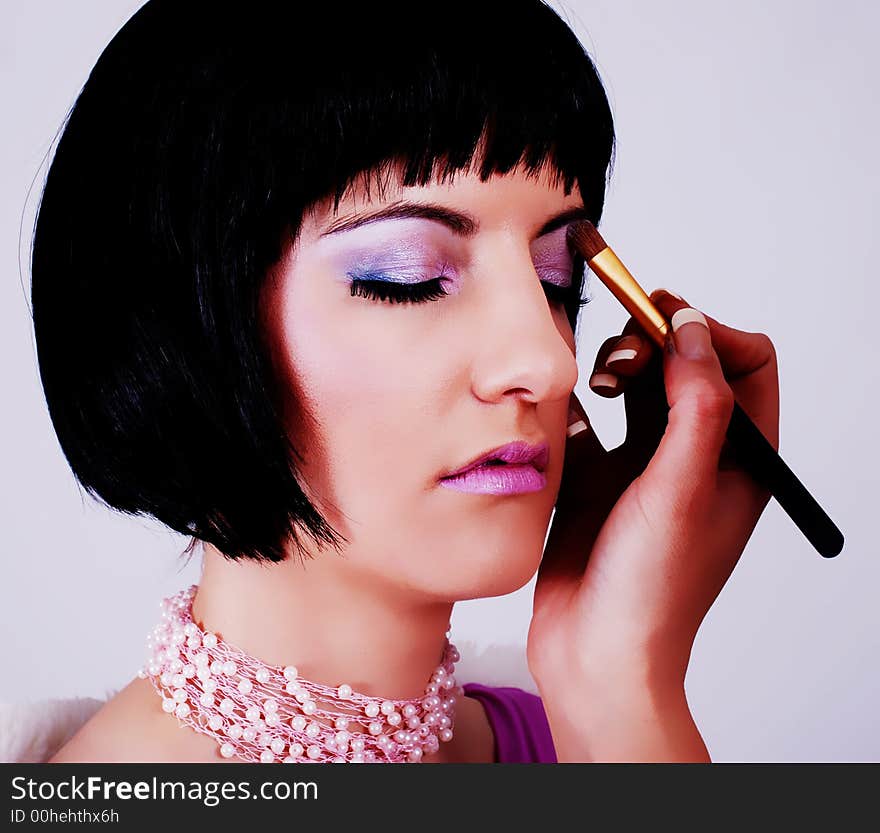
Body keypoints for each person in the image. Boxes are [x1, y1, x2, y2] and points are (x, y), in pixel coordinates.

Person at [29, 0, 778, 763]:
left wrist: (620, 680)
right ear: (183, 322)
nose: (550, 365)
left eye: (555, 278)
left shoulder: (585, 738)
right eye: (409, 279)